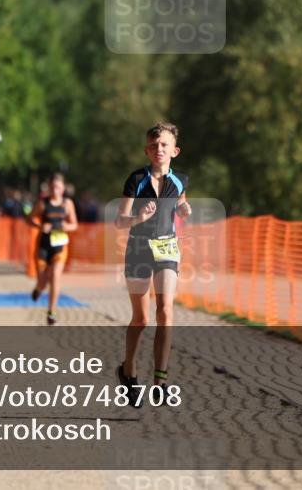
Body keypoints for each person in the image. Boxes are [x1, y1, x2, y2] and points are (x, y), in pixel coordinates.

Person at [114, 122, 191, 407]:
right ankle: (128, 371)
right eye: (154, 145)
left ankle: (160, 380)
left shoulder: (181, 179)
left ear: (175, 150)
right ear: (147, 150)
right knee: (142, 319)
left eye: (164, 145)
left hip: (168, 248)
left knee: (166, 310)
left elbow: (180, 202)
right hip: (138, 249)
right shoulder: (136, 179)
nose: (159, 149)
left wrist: (183, 208)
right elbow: (119, 220)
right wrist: (137, 219)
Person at [28, 173, 79, 325]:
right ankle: (38, 288)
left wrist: (67, 226)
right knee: (43, 281)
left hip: (60, 245)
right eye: (52, 187)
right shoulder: (42, 203)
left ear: (63, 188)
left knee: (56, 275)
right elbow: (29, 219)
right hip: (43, 245)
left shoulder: (67, 204)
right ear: (49, 189)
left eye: (58, 187)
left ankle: (51, 312)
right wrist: (40, 226)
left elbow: (75, 224)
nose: (55, 190)